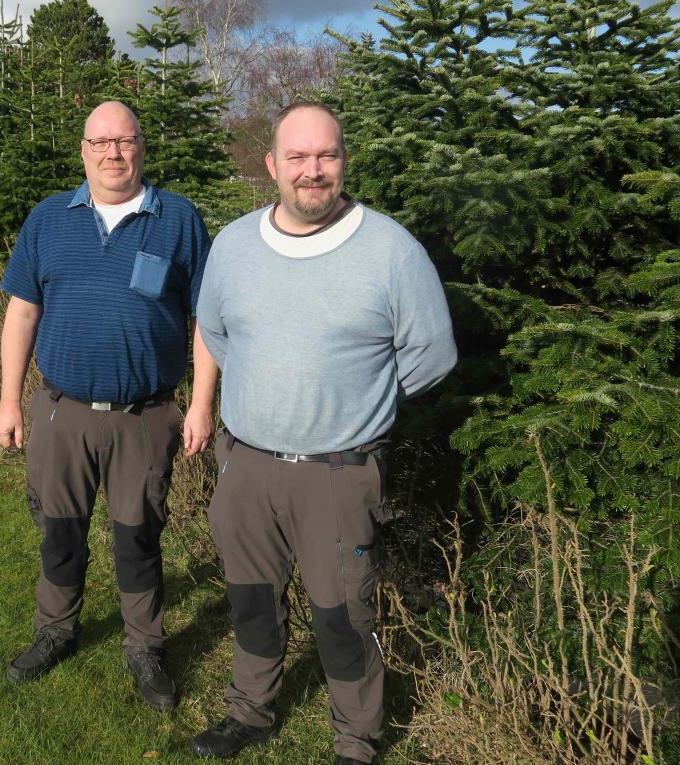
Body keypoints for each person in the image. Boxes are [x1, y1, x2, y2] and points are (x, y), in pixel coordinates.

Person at [191, 102, 457, 763]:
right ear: (272, 165)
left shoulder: (391, 249)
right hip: (247, 465)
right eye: (299, 157)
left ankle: (356, 738)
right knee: (252, 600)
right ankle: (250, 711)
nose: (314, 170)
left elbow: (433, 353)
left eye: (328, 155)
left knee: (343, 614)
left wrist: (360, 404)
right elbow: (215, 331)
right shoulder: (233, 246)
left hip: (339, 473)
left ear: (344, 161)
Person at [0, 100, 217, 711]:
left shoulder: (178, 219)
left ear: (142, 146)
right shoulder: (48, 219)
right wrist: (9, 399)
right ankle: (56, 631)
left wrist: (200, 406)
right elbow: (22, 312)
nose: (113, 153)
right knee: (59, 532)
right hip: (61, 413)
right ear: (83, 150)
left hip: (144, 417)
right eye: (101, 142)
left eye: (124, 141)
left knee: (139, 534)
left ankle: (145, 645)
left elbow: (205, 321)